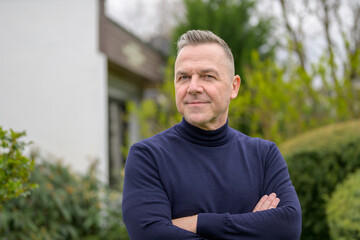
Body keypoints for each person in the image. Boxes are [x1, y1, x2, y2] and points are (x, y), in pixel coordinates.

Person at [122, 30, 302, 240]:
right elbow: (150, 236)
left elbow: (288, 227)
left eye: (208, 76)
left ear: (234, 87)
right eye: (184, 77)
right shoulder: (148, 157)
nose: (193, 87)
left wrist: (197, 222)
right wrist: (253, 229)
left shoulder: (264, 155)